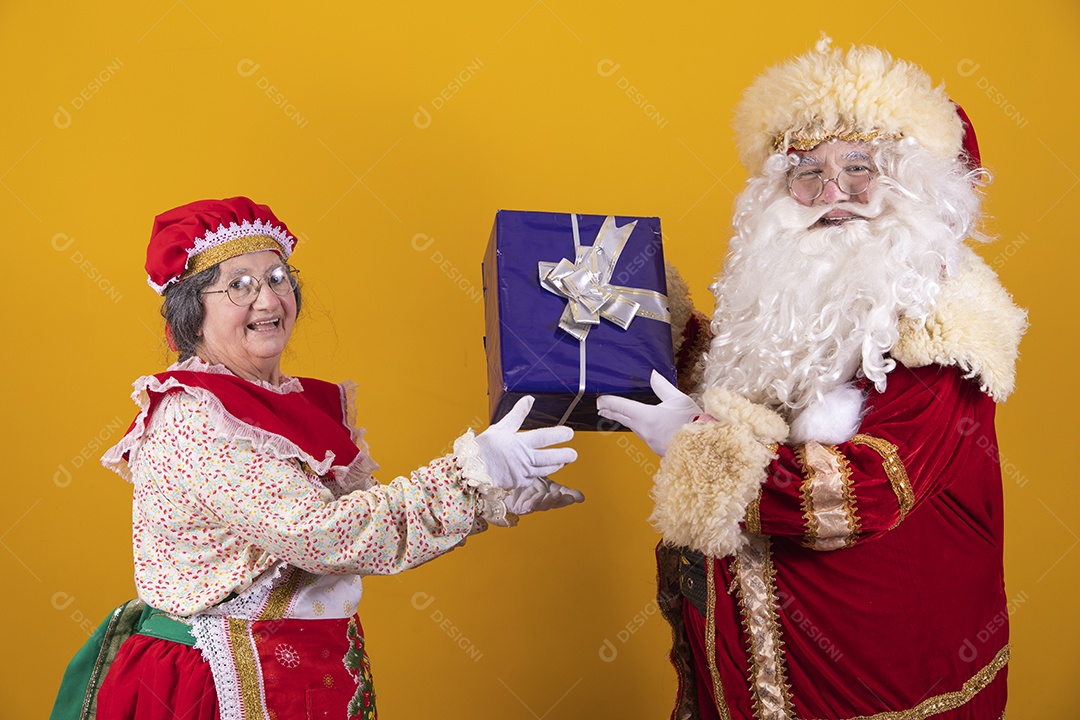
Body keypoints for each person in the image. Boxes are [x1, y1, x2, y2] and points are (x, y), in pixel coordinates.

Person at [598, 39, 1027, 719]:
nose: (832, 194)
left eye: (861, 168)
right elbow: (757, 385)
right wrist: (639, 311)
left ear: (919, 185)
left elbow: (862, 492)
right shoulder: (792, 296)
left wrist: (691, 446)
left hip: (877, 680)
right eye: (807, 172)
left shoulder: (943, 329)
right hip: (755, 664)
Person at [50, 196, 581, 720]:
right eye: (239, 285)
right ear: (193, 313)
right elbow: (324, 537)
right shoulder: (195, 417)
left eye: (278, 277)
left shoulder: (280, 401)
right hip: (217, 683)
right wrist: (470, 476)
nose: (267, 300)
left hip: (306, 667)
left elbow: (360, 526)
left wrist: (492, 496)